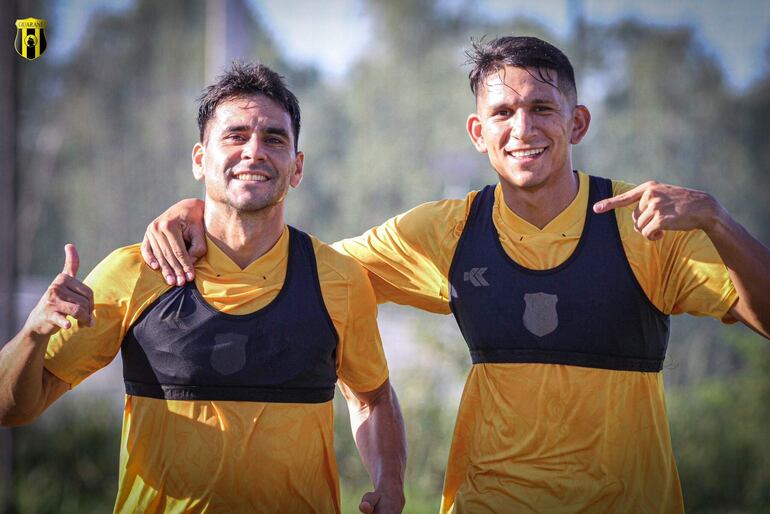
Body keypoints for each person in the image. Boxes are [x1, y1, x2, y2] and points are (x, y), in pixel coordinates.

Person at [139, 37, 770, 513]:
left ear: (577, 122)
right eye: (502, 113)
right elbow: (302, 268)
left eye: (542, 108)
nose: (522, 129)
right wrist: (204, 211)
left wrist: (718, 219)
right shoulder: (449, 229)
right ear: (478, 132)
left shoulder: (646, 222)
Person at [0, 63, 407, 514]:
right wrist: (33, 333)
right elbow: (12, 408)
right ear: (200, 160)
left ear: (297, 167)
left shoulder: (340, 280)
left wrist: (390, 484)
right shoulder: (136, 272)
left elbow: (372, 399)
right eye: (235, 136)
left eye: (274, 139)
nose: (254, 151)